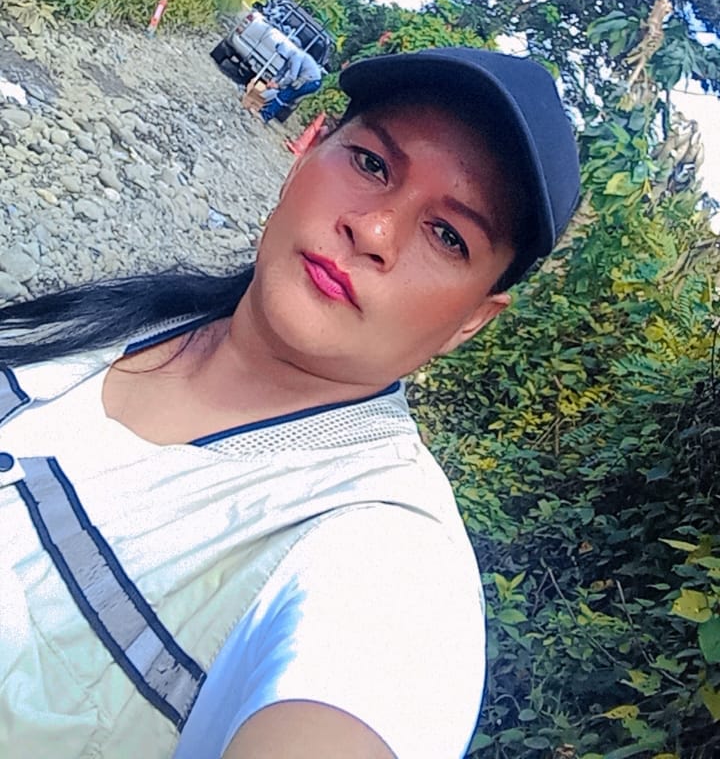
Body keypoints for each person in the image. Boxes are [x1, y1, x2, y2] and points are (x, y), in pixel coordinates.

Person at [0, 45, 580, 759]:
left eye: (447, 235)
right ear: (309, 151)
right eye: (372, 164)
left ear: (472, 322)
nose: (373, 230)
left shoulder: (386, 555)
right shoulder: (134, 318)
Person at [259, 42, 322, 123]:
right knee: (285, 93)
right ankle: (268, 111)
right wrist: (273, 81)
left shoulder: (296, 56)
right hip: (308, 79)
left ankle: (266, 115)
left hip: (311, 81)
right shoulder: (290, 56)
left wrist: (278, 85)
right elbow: (282, 72)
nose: (281, 57)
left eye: (282, 55)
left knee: (284, 95)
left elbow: (292, 77)